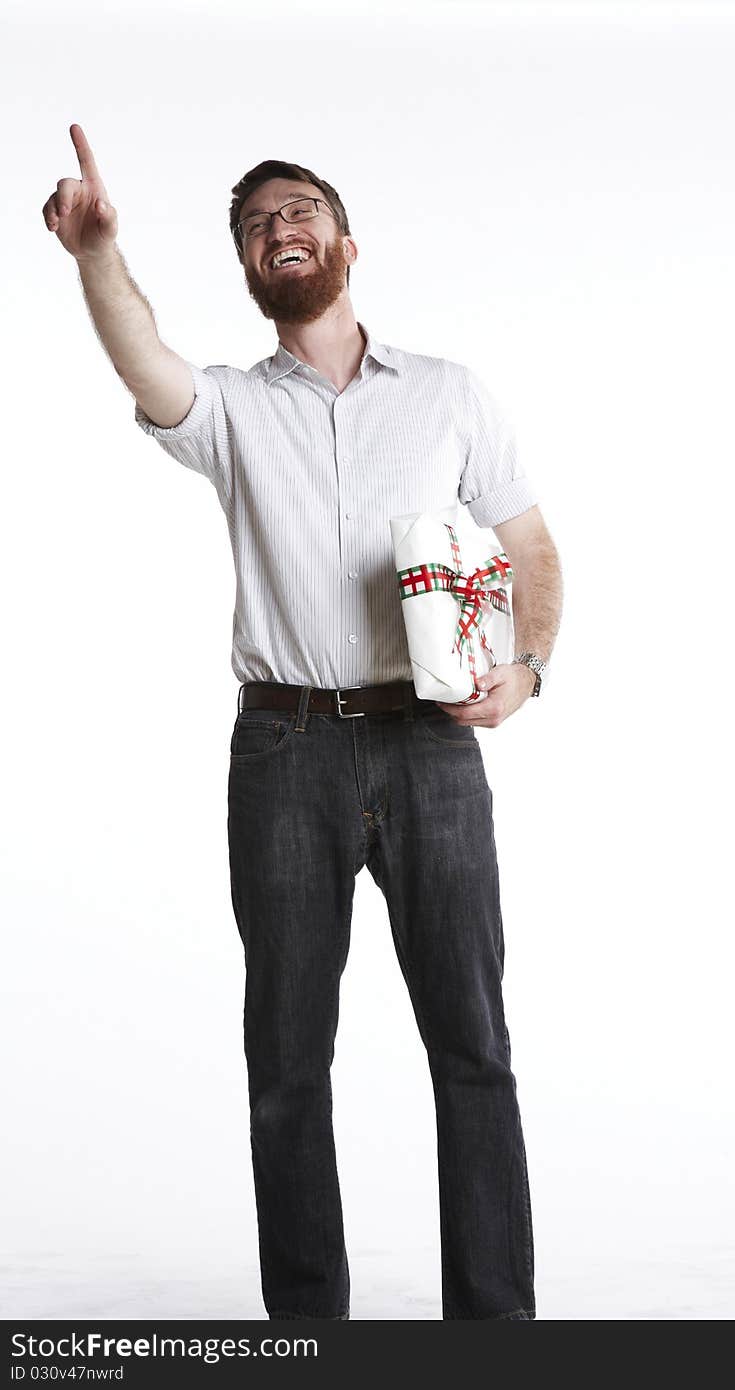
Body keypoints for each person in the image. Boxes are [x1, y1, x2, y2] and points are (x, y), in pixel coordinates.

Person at [44, 123, 564, 1321]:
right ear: (247, 266)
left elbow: (532, 545)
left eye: (301, 212)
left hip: (431, 747)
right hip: (284, 753)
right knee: (286, 1060)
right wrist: (98, 255)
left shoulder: (447, 395)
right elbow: (146, 364)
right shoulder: (231, 410)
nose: (282, 229)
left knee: (472, 1046)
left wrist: (527, 667)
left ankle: (495, 1330)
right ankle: (309, 1336)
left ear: (345, 244)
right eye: (257, 224)